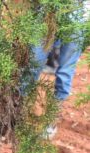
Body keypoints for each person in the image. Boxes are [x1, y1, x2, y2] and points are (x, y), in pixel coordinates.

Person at [25, 0, 89, 139]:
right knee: (32, 65)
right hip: (47, 14)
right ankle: (14, 118)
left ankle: (50, 124)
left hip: (78, 19)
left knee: (65, 73)